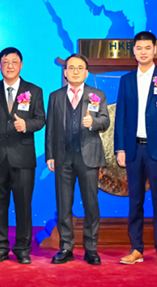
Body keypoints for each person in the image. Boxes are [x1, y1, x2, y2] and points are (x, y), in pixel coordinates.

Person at [114, 31, 157, 267]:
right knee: (135, 201)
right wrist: (120, 149)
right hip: (133, 149)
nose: (143, 52)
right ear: (134, 51)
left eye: (147, 48)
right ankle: (136, 249)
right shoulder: (126, 80)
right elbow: (120, 116)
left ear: (154, 50)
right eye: (139, 48)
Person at [0, 47, 45, 265]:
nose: (10, 66)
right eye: (5, 62)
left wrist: (26, 125)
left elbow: (41, 119)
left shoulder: (34, 90)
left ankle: (22, 249)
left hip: (23, 158)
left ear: (21, 65)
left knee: (23, 206)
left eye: (14, 62)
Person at [45, 54, 110, 265]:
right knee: (64, 204)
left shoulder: (97, 95)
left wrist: (93, 122)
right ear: (65, 72)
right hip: (62, 157)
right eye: (71, 68)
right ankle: (66, 247)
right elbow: (50, 128)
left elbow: (105, 121)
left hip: (88, 157)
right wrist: (50, 155)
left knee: (91, 204)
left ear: (86, 73)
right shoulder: (55, 96)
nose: (75, 71)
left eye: (79, 68)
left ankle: (91, 249)